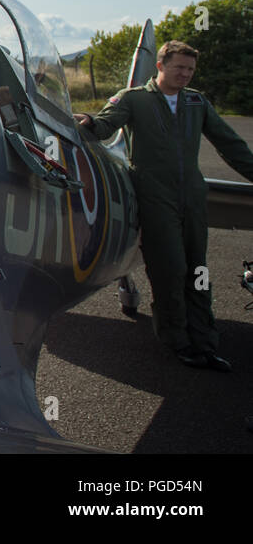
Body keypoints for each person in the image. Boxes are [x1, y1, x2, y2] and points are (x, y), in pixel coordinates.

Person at [74, 40, 253, 371]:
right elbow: (103, 125)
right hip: (155, 198)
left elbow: (231, 144)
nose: (185, 74)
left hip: (194, 199)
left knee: (198, 271)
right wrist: (87, 121)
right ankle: (179, 343)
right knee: (171, 270)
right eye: (179, 67)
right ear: (160, 66)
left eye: (190, 69)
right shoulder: (134, 100)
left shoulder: (197, 102)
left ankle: (205, 343)